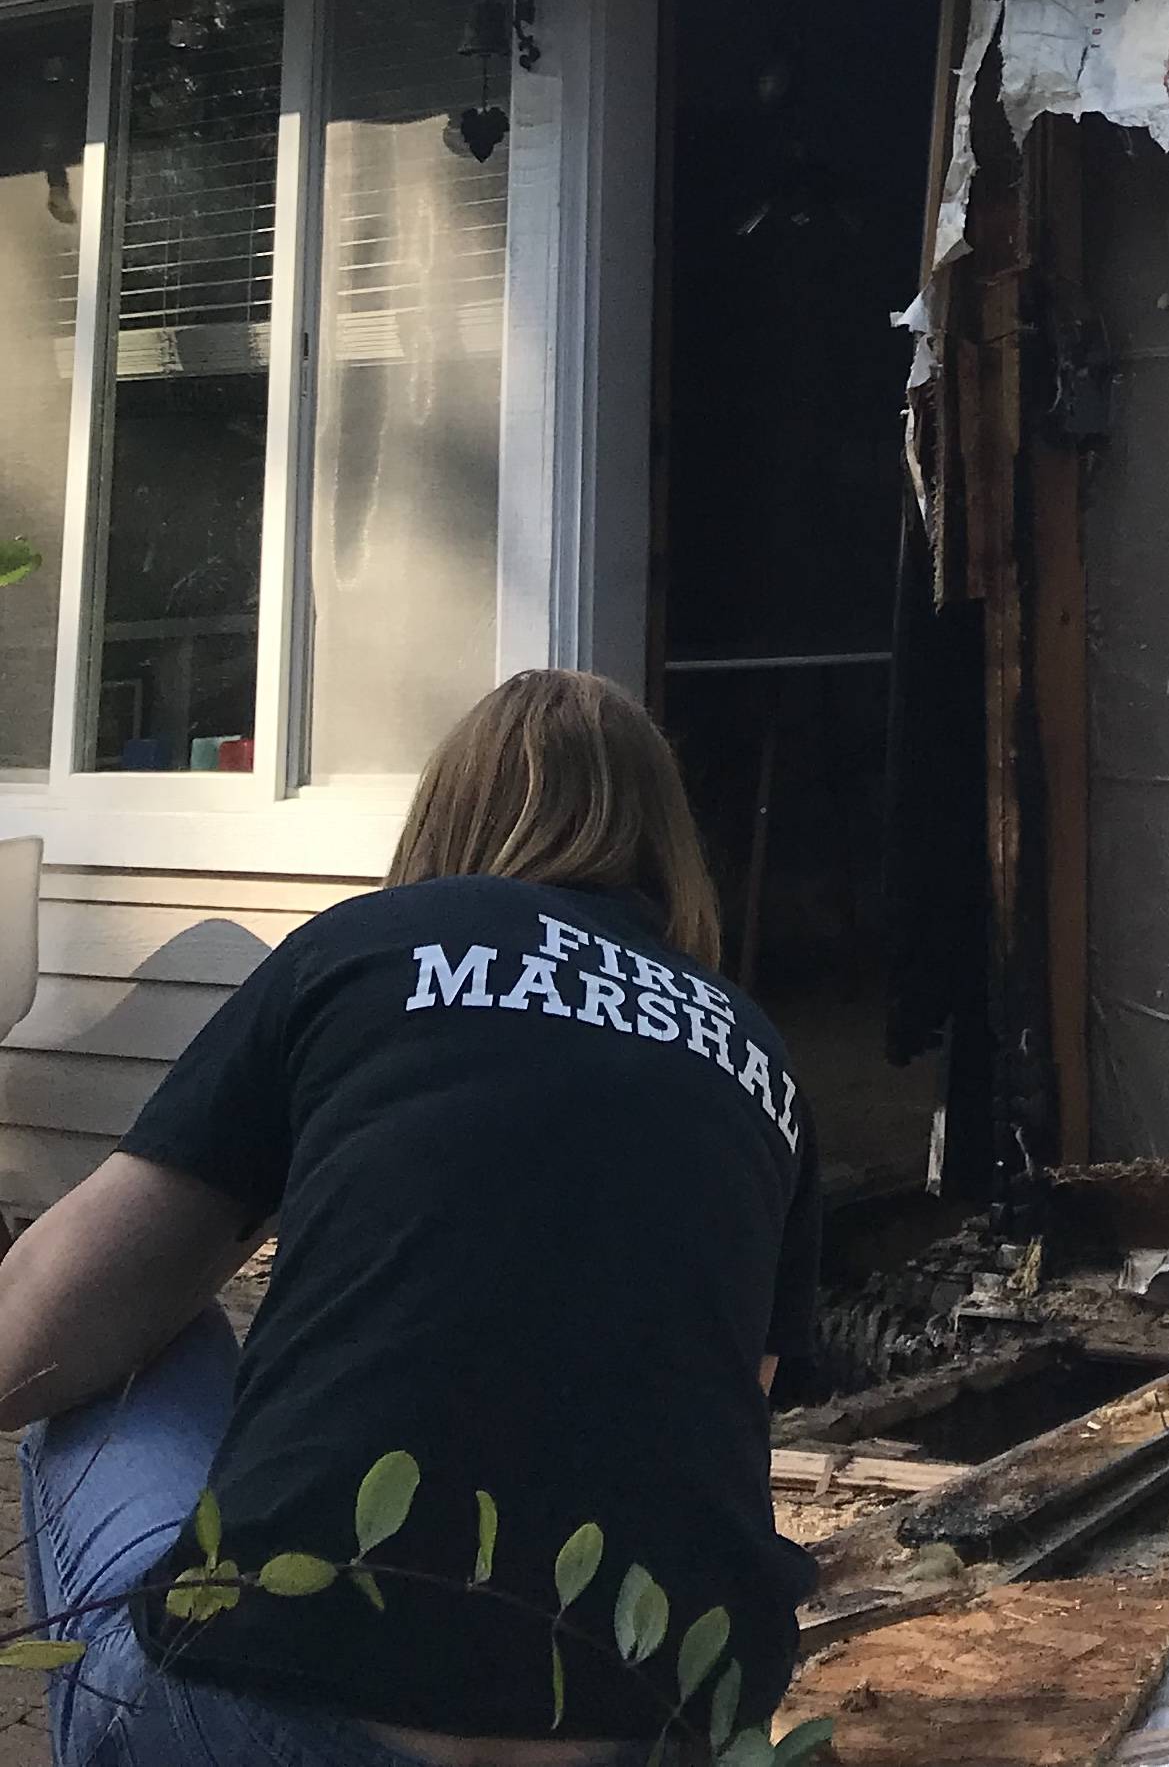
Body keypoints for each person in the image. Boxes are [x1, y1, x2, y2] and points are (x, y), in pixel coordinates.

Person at [2, 669, 822, 1767]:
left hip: (270, 1716)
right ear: (666, 842)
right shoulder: (758, 1058)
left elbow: (34, 1337)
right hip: (653, 1732)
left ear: (449, 810)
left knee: (146, 1334)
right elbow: (717, 1419)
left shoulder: (369, 947)